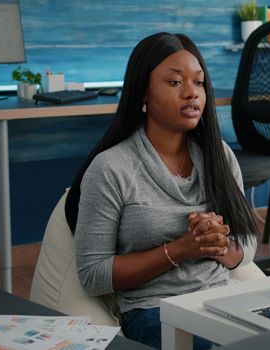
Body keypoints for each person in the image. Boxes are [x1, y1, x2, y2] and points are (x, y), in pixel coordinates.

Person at [64, 32, 258, 350]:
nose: (191, 94)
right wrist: (182, 249)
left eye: (198, 83)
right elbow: (93, 275)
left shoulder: (219, 155)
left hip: (220, 300)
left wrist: (215, 244)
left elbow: (246, 248)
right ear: (143, 94)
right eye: (174, 83)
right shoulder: (111, 167)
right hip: (155, 311)